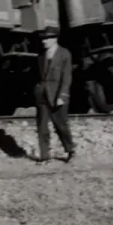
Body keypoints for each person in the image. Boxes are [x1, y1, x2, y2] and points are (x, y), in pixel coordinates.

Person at [35, 29, 75, 163]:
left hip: (57, 95)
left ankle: (70, 150)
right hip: (42, 95)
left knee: (61, 125)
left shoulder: (64, 54)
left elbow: (67, 76)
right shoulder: (41, 55)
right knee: (42, 127)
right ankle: (44, 156)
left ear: (54, 39)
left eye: (47, 39)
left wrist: (62, 95)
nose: (44, 41)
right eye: (43, 39)